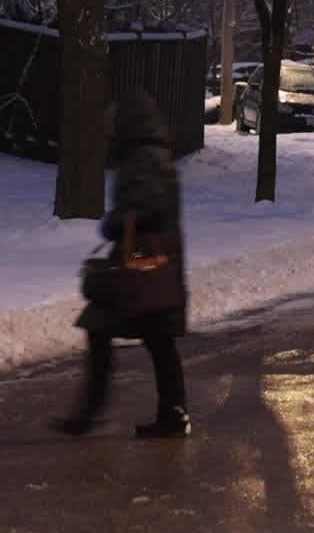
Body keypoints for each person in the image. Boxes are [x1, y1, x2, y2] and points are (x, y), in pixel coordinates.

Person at [51, 91, 191, 439]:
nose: (108, 133)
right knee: (157, 340)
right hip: (155, 266)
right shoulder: (156, 155)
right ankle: (172, 414)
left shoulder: (142, 159)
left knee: (101, 327)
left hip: (142, 268)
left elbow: (148, 207)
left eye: (112, 126)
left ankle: (89, 415)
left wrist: (113, 223)